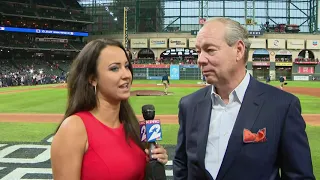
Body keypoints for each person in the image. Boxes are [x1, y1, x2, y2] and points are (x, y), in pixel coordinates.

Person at [173, 17, 315, 180]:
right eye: (198, 51)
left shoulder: (282, 106)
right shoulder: (189, 105)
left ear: (239, 50)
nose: (200, 60)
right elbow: (181, 165)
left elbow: (299, 176)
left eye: (210, 50)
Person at [51, 39, 168, 180]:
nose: (126, 75)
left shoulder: (133, 127)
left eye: (126, 66)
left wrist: (154, 162)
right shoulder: (73, 129)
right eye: (114, 68)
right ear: (92, 79)